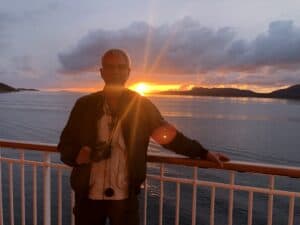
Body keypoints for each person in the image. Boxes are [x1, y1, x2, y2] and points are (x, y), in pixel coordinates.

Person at [58, 48, 229, 225]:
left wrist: (203, 152)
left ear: (128, 72)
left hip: (125, 199)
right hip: (88, 198)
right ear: (102, 72)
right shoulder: (84, 105)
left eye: (120, 67)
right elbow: (65, 145)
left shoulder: (141, 105)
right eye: (110, 67)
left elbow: (169, 137)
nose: (115, 71)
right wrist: (79, 155)